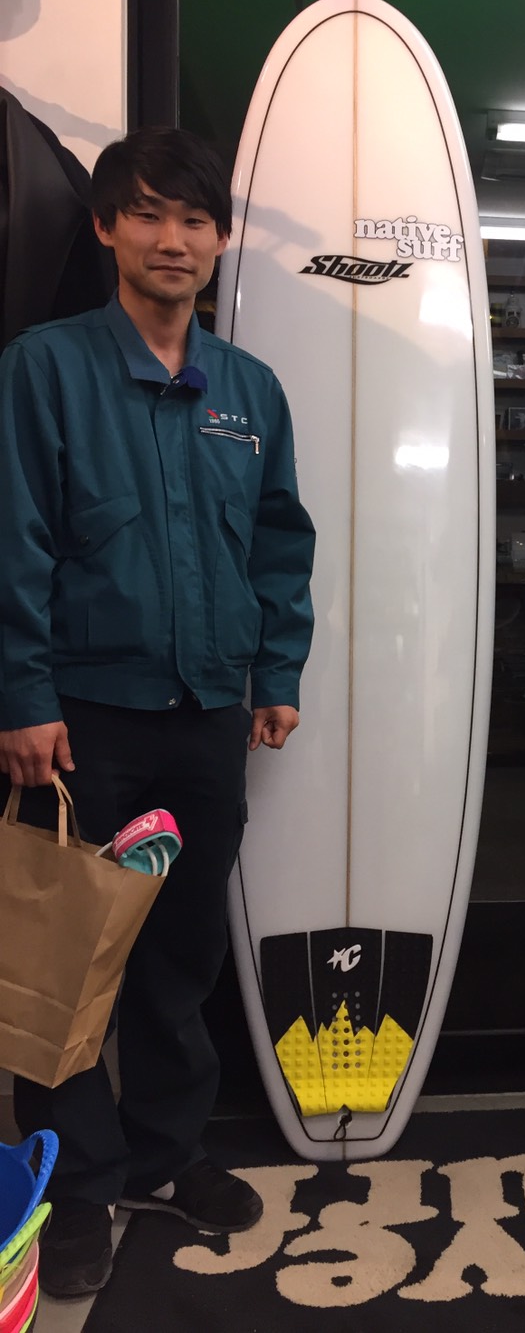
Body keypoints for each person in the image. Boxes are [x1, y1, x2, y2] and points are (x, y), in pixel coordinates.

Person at [0, 127, 315, 1299]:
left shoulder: (249, 390)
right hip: (83, 721)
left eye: (193, 218)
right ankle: (76, 1186)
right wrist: (23, 694)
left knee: (181, 955)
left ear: (220, 239)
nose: (171, 238)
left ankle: (167, 1155)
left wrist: (275, 671)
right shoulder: (44, 368)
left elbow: (279, 540)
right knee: (69, 960)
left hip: (205, 717)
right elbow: (15, 540)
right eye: (146, 213)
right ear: (105, 228)